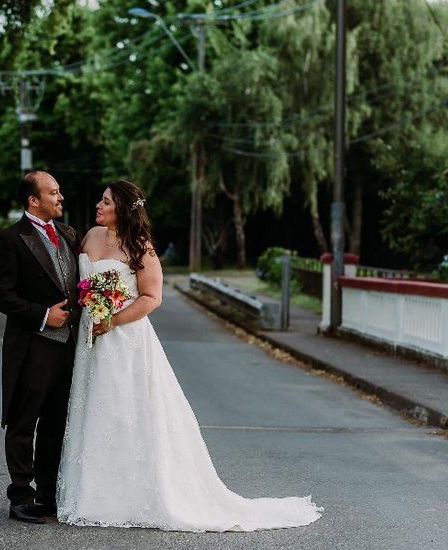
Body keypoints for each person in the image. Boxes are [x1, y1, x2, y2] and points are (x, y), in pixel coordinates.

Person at [56, 180, 323, 532]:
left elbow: (151, 297)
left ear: (122, 208)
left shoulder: (140, 247)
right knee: (93, 407)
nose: (98, 205)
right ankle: (90, 494)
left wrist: (113, 320)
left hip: (124, 340)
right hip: (90, 339)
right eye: (101, 200)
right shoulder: (89, 236)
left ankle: (132, 495)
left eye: (105, 202)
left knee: (125, 408)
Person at [0, 171, 80, 524]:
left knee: (56, 422)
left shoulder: (69, 235)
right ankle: (20, 496)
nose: (61, 198)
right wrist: (43, 315)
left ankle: (48, 493)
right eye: (54, 193)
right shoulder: (9, 240)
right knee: (24, 422)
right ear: (33, 201)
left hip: (68, 347)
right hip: (32, 345)